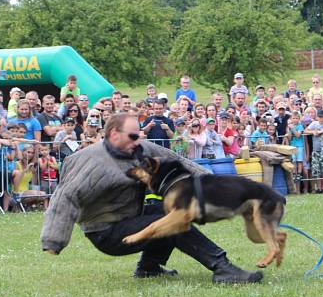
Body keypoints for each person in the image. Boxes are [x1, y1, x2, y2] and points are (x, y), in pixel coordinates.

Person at [41, 112, 263, 284]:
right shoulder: (93, 163)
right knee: (174, 222)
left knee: (167, 209)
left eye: (139, 134)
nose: (138, 140)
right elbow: (65, 198)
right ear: (113, 135)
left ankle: (149, 267)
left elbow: (181, 163)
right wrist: (53, 241)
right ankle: (222, 268)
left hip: (130, 218)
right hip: (106, 233)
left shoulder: (140, 148)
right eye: (132, 136)